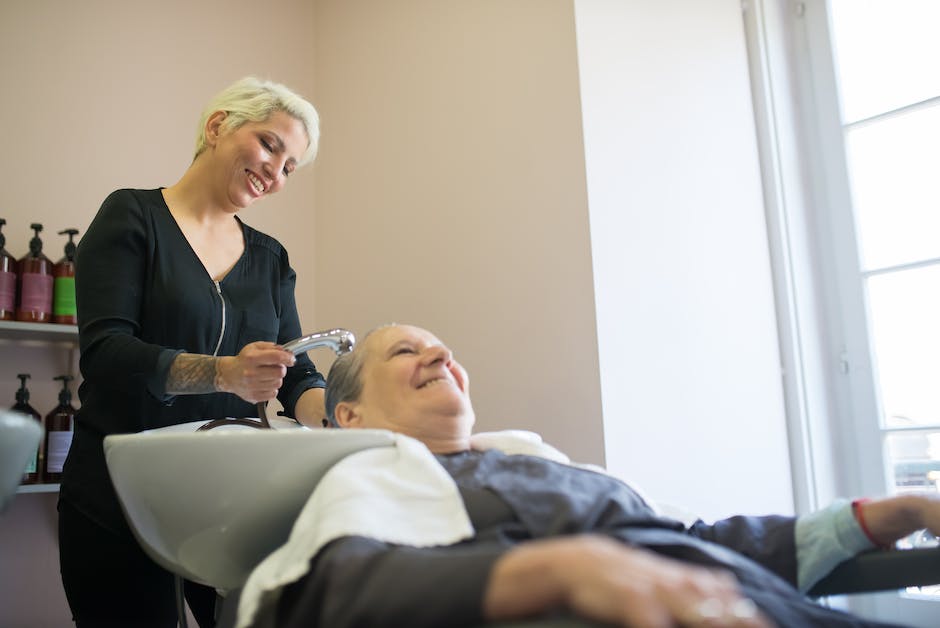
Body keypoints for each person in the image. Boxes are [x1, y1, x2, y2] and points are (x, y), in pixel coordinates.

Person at [235, 323, 940, 628]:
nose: (439, 352)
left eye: (443, 348)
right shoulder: (379, 475)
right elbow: (328, 597)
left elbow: (692, 542)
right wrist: (561, 569)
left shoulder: (536, 460)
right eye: (407, 350)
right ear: (352, 415)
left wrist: (888, 515)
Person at [59, 77, 328, 628]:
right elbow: (107, 353)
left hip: (230, 506)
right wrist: (226, 373)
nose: (275, 173)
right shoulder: (132, 217)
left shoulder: (270, 259)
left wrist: (346, 418)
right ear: (217, 126)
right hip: (121, 499)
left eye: (290, 167)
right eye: (270, 145)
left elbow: (296, 372)